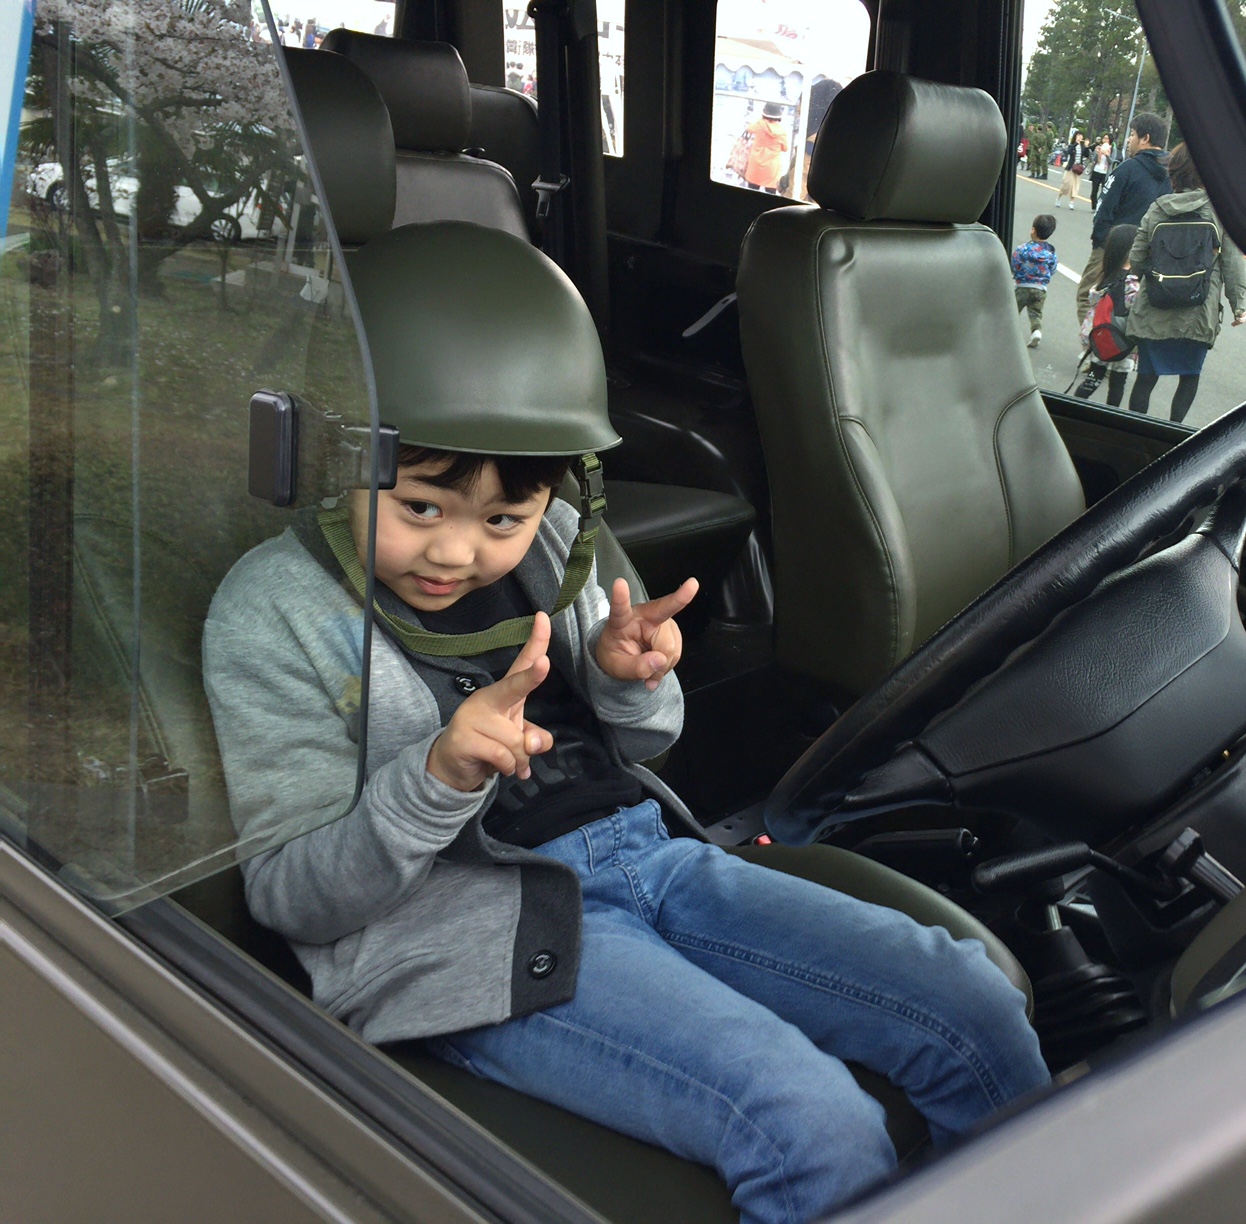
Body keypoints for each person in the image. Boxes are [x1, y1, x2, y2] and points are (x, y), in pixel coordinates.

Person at [203, 224, 1048, 1224]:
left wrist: (626, 682)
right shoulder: (274, 611)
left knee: (972, 1009)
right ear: (341, 450)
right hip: (463, 939)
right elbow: (293, 899)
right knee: (811, 1121)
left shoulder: (555, 545)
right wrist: (437, 776)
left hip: (649, 861)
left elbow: (646, 748)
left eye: (500, 519)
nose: (459, 553)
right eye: (421, 507)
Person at [1124, 142, 1246, 424]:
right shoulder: (1219, 212)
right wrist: (1238, 306)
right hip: (1198, 312)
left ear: (1175, 173)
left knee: (1145, 379)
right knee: (1189, 377)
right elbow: (1232, 263)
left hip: (1155, 309)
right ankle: (1174, 432)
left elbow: (1137, 257)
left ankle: (1132, 431)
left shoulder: (1158, 209)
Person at [1075, 113, 1171, 325]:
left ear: (1145, 138)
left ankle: (1095, 340)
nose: (1129, 140)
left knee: (1088, 294)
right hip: (1151, 252)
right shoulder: (1173, 175)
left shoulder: (1127, 169)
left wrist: (1099, 242)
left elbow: (1104, 209)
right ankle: (1123, 342)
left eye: (1133, 134)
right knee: (1134, 303)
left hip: (1114, 246)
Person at [1071, 223, 1139, 405]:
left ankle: (1074, 406)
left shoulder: (1106, 275)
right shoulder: (1131, 281)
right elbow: (1134, 304)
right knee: (1117, 384)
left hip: (1100, 338)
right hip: (1122, 342)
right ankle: (1110, 416)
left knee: (1093, 379)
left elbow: (1092, 300)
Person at [1012, 212, 1059, 348]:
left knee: (1013, 311)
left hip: (1022, 286)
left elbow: (1014, 264)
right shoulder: (1050, 253)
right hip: (1040, 289)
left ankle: (1009, 333)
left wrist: (1019, 273)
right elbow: (1053, 269)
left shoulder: (1022, 249)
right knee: (1036, 313)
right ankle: (1036, 331)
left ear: (1033, 230)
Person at [742, 102, 791, 195]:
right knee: (771, 193)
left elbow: (749, 129)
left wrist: (761, 120)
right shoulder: (782, 132)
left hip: (755, 164)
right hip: (771, 168)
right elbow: (785, 148)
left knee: (751, 192)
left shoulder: (759, 124)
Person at [1055, 132, 1087, 209]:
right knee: (1066, 184)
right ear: (1075, 137)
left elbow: (1087, 155)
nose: (1080, 137)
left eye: (1081, 136)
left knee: (1075, 186)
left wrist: (1087, 147)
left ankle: (1071, 202)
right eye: (1078, 136)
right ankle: (1058, 198)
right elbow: (1068, 152)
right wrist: (1076, 144)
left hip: (1078, 169)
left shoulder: (1083, 146)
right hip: (1071, 168)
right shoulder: (1072, 145)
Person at [1089, 133, 1113, 208]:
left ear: (1110, 140)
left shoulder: (1112, 149)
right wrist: (1097, 153)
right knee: (1094, 191)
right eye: (1104, 138)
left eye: (1107, 138)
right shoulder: (1099, 147)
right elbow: (1093, 159)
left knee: (1104, 192)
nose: (1105, 140)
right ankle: (1094, 206)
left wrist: (1107, 154)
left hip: (1105, 173)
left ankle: (1100, 206)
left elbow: (1111, 161)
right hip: (1096, 170)